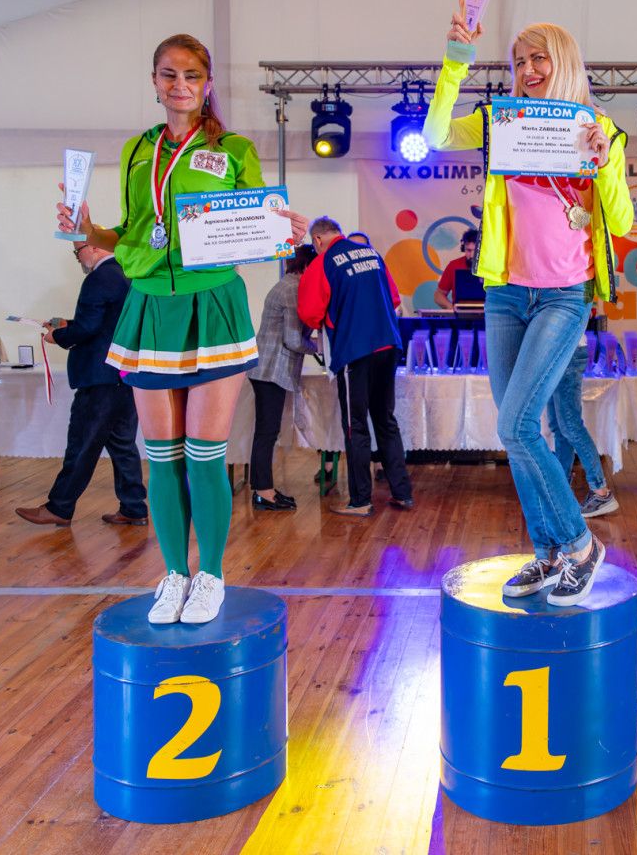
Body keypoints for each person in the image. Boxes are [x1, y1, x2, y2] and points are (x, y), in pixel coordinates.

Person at [56, 33, 308, 626]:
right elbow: (133, 232)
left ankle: (211, 575)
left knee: (204, 453)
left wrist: (284, 231)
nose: (180, 85)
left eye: (192, 75)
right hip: (148, 306)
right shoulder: (137, 150)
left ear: (207, 83)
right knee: (162, 455)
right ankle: (173, 574)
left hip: (213, 304)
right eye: (169, 74)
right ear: (154, 81)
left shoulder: (234, 148)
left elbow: (257, 223)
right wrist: (90, 229)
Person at [424, 0, 633, 606]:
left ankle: (580, 545)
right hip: (505, 293)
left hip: (564, 296)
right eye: (518, 61)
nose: (528, 70)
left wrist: (603, 164)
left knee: (515, 424)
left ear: (564, 62)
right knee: (518, 432)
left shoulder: (600, 129)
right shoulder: (501, 120)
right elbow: (435, 136)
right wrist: (457, 60)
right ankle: (547, 554)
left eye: (539, 58)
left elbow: (620, 219)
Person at [16, 240, 149, 528]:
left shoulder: (99, 277)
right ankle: (134, 507)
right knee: (122, 444)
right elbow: (105, 322)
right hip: (125, 373)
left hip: (99, 375)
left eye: (78, 251)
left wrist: (57, 336)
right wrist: (68, 324)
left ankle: (59, 507)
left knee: (82, 443)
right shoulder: (128, 272)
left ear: (94, 247)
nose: (78, 258)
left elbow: (89, 327)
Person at [298, 218, 413, 517]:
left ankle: (360, 500)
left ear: (318, 240)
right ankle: (402, 493)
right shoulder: (372, 254)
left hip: (355, 351)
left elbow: (309, 313)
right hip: (388, 345)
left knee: (355, 425)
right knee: (385, 419)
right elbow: (395, 298)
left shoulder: (322, 263)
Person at [249, 244, 319, 512]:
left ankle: (263, 489)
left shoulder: (287, 284)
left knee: (267, 431)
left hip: (267, 368)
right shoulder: (293, 289)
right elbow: (293, 340)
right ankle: (263, 492)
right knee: (266, 432)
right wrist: (319, 346)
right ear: (307, 266)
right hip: (271, 368)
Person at [546, 331, 616, 517]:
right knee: (559, 426)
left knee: (570, 426)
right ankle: (562, 488)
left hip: (566, 350)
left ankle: (600, 491)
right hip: (556, 351)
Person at [433, 227, 482, 309]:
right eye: (469, 250)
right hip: (460, 316)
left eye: (476, 251)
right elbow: (438, 295)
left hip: (487, 315)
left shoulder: (493, 267)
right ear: (463, 248)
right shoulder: (453, 265)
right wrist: (450, 307)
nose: (472, 255)